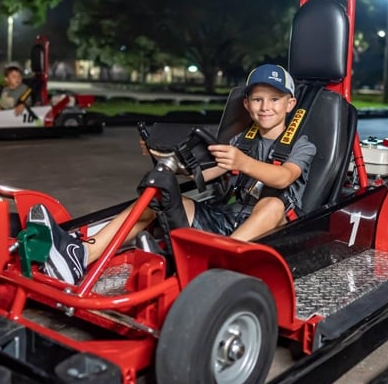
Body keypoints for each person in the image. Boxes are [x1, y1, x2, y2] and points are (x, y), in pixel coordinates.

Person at [32, 64, 317, 284]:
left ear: (290, 104)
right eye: (257, 99)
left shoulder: (303, 145)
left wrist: (243, 163)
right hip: (225, 218)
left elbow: (284, 178)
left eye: (275, 99)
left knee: (272, 204)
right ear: (247, 104)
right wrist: (168, 161)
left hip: (274, 229)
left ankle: (216, 267)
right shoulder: (242, 140)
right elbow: (207, 174)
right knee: (159, 195)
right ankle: (81, 255)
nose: (265, 107)